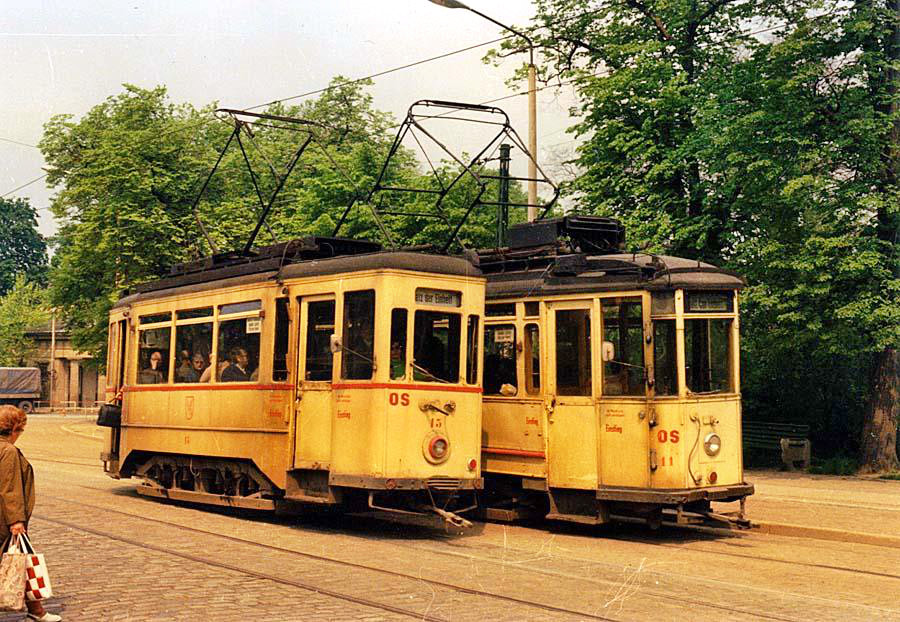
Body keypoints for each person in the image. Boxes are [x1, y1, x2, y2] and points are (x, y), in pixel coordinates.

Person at [0, 405, 62, 622]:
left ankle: (36, 611)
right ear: (14, 428)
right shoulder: (8, 451)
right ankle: (37, 611)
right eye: (21, 429)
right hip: (5, 518)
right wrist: (16, 520)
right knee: (17, 559)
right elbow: (10, 488)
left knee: (19, 559)